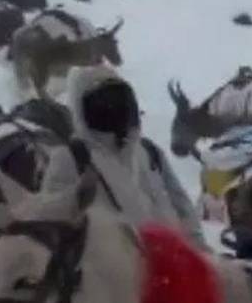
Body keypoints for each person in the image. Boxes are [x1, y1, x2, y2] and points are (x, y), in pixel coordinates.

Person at [60, 65, 204, 245]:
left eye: (120, 101)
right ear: (81, 111)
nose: (114, 111)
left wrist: (200, 252)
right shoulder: (71, 159)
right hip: (117, 269)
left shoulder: (150, 152)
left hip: (177, 263)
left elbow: (183, 206)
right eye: (102, 104)